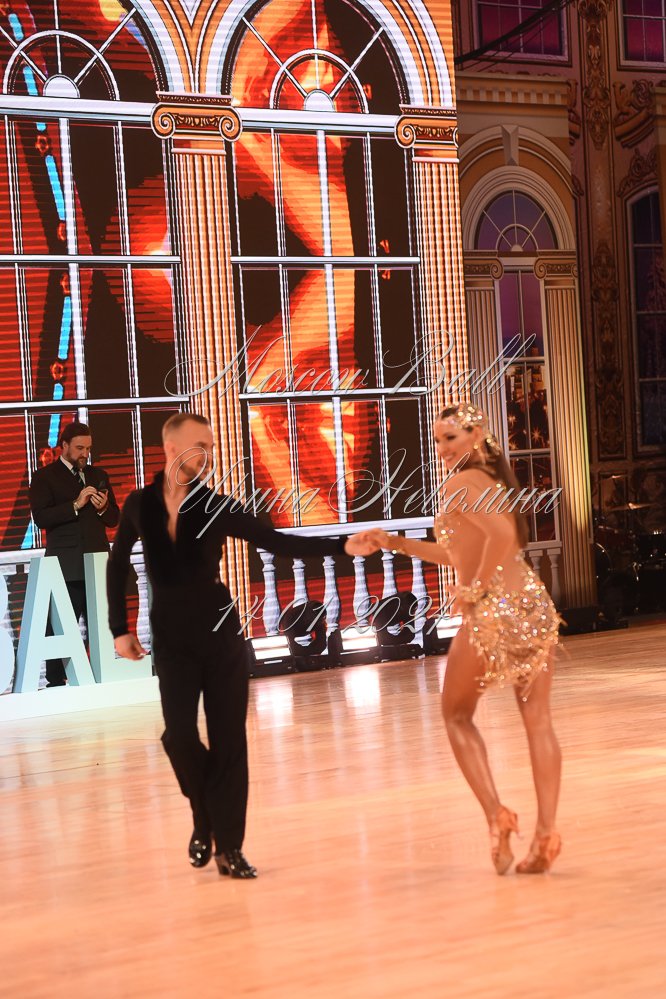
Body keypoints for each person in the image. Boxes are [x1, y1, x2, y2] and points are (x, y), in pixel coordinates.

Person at [107, 412, 379, 880]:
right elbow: (116, 566)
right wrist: (119, 628)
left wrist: (342, 546)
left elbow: (276, 541)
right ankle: (204, 817)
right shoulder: (139, 504)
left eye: (211, 447)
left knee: (230, 740)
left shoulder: (215, 505)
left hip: (221, 636)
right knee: (179, 736)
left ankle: (230, 847)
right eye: (200, 445)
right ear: (170, 448)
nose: (208, 455)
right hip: (171, 640)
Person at [369, 403, 562, 875]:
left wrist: (475, 589)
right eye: (437, 440)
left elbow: (501, 537)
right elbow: (459, 551)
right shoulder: (492, 482)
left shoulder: (461, 483)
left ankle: (497, 815)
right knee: (538, 721)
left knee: (456, 715)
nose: (441, 448)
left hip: (495, 612)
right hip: (533, 605)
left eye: (450, 438)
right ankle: (545, 835)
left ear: (476, 436)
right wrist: (395, 543)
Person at [29, 421, 119, 686]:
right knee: (60, 625)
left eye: (88, 448)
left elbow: (114, 518)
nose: (85, 454)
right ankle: (56, 682)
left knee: (100, 626)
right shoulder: (44, 477)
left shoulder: (98, 474)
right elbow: (41, 518)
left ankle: (97, 676)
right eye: (80, 448)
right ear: (64, 445)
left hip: (97, 563)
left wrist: (103, 508)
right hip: (66, 567)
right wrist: (76, 505)